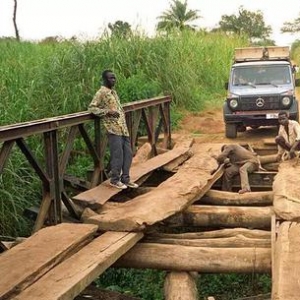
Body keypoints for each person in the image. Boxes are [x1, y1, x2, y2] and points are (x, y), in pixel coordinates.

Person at [88, 69, 138, 190]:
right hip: (113, 128)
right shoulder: (102, 92)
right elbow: (91, 108)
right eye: (111, 78)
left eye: (114, 78)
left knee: (128, 154)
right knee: (118, 155)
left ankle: (126, 179)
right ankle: (115, 180)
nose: (113, 80)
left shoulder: (113, 92)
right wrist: (107, 112)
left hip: (123, 128)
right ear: (105, 79)